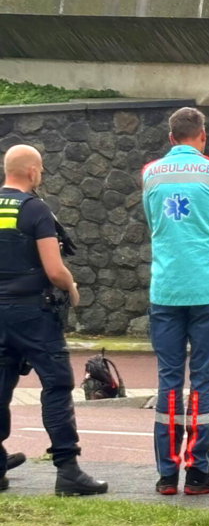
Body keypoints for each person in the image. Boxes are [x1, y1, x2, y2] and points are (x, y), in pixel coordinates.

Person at [142, 108, 209, 496]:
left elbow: (153, 220)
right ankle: (198, 473)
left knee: (169, 380)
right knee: (203, 381)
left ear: (171, 138)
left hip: (166, 288)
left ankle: (166, 475)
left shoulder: (150, 174)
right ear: (202, 136)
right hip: (208, 289)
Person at [0, 145, 107, 496]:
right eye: (40, 170)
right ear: (31, 172)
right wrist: (71, 287)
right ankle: (68, 470)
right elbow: (54, 268)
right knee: (57, 386)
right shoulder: (36, 210)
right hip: (33, 313)